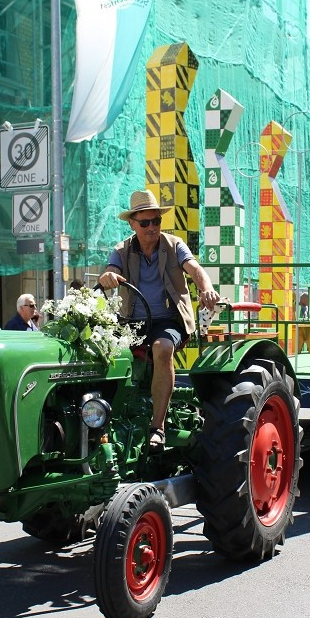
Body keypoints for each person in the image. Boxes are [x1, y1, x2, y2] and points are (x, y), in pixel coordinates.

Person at [98, 189, 220, 450]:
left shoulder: (174, 245)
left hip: (169, 320)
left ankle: (158, 427)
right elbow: (111, 271)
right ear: (132, 223)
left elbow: (195, 269)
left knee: (162, 347)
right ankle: (101, 420)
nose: (152, 227)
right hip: (132, 323)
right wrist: (108, 276)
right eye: (145, 222)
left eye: (156, 221)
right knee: (100, 351)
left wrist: (206, 288)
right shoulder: (121, 251)